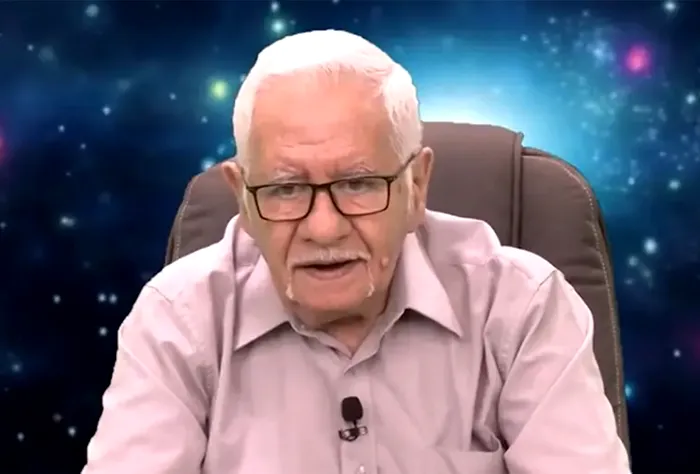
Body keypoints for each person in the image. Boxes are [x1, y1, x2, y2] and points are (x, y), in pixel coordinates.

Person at [82, 30, 631, 474]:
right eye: (285, 189)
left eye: (360, 184)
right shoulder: (177, 321)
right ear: (242, 199)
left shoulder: (522, 308)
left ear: (417, 187)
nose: (324, 229)